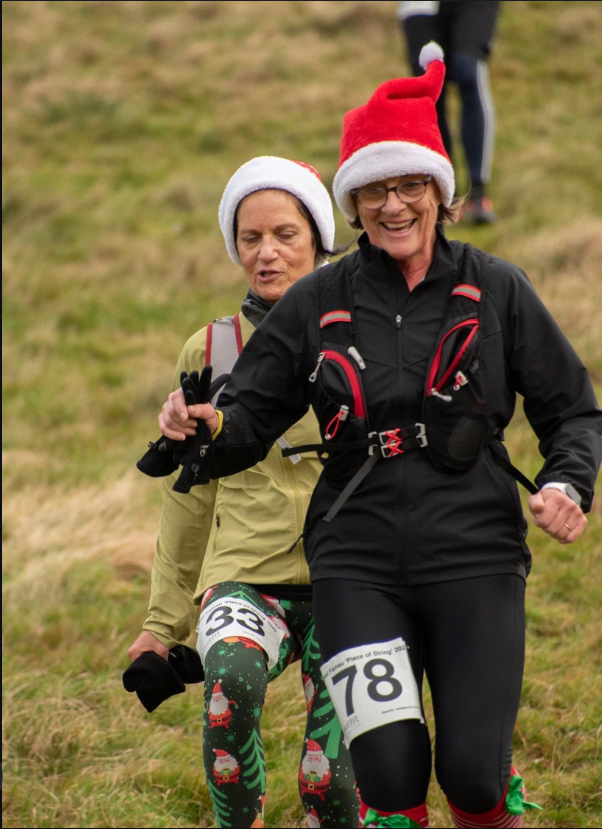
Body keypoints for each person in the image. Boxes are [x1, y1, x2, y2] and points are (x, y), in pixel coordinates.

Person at [158, 46, 602, 829]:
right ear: (353, 205)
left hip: (474, 549)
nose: (393, 206)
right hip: (356, 560)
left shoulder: (495, 287)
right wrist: (207, 425)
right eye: (373, 192)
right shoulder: (317, 300)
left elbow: (571, 409)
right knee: (390, 774)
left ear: (440, 191)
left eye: (408, 187)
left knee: (472, 771)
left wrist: (568, 481)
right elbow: (250, 417)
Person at [129, 157, 359, 829]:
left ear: (319, 239)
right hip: (244, 577)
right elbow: (189, 496)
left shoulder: (363, 338)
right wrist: (160, 624)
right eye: (249, 237)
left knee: (332, 780)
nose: (265, 253)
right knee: (229, 680)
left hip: (352, 576)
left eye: (285, 234)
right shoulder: (209, 349)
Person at [398, 0, 501, 224]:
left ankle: (479, 194)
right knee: (430, 89)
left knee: (468, 70)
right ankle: (447, 194)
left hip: (470, 6)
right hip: (420, 6)